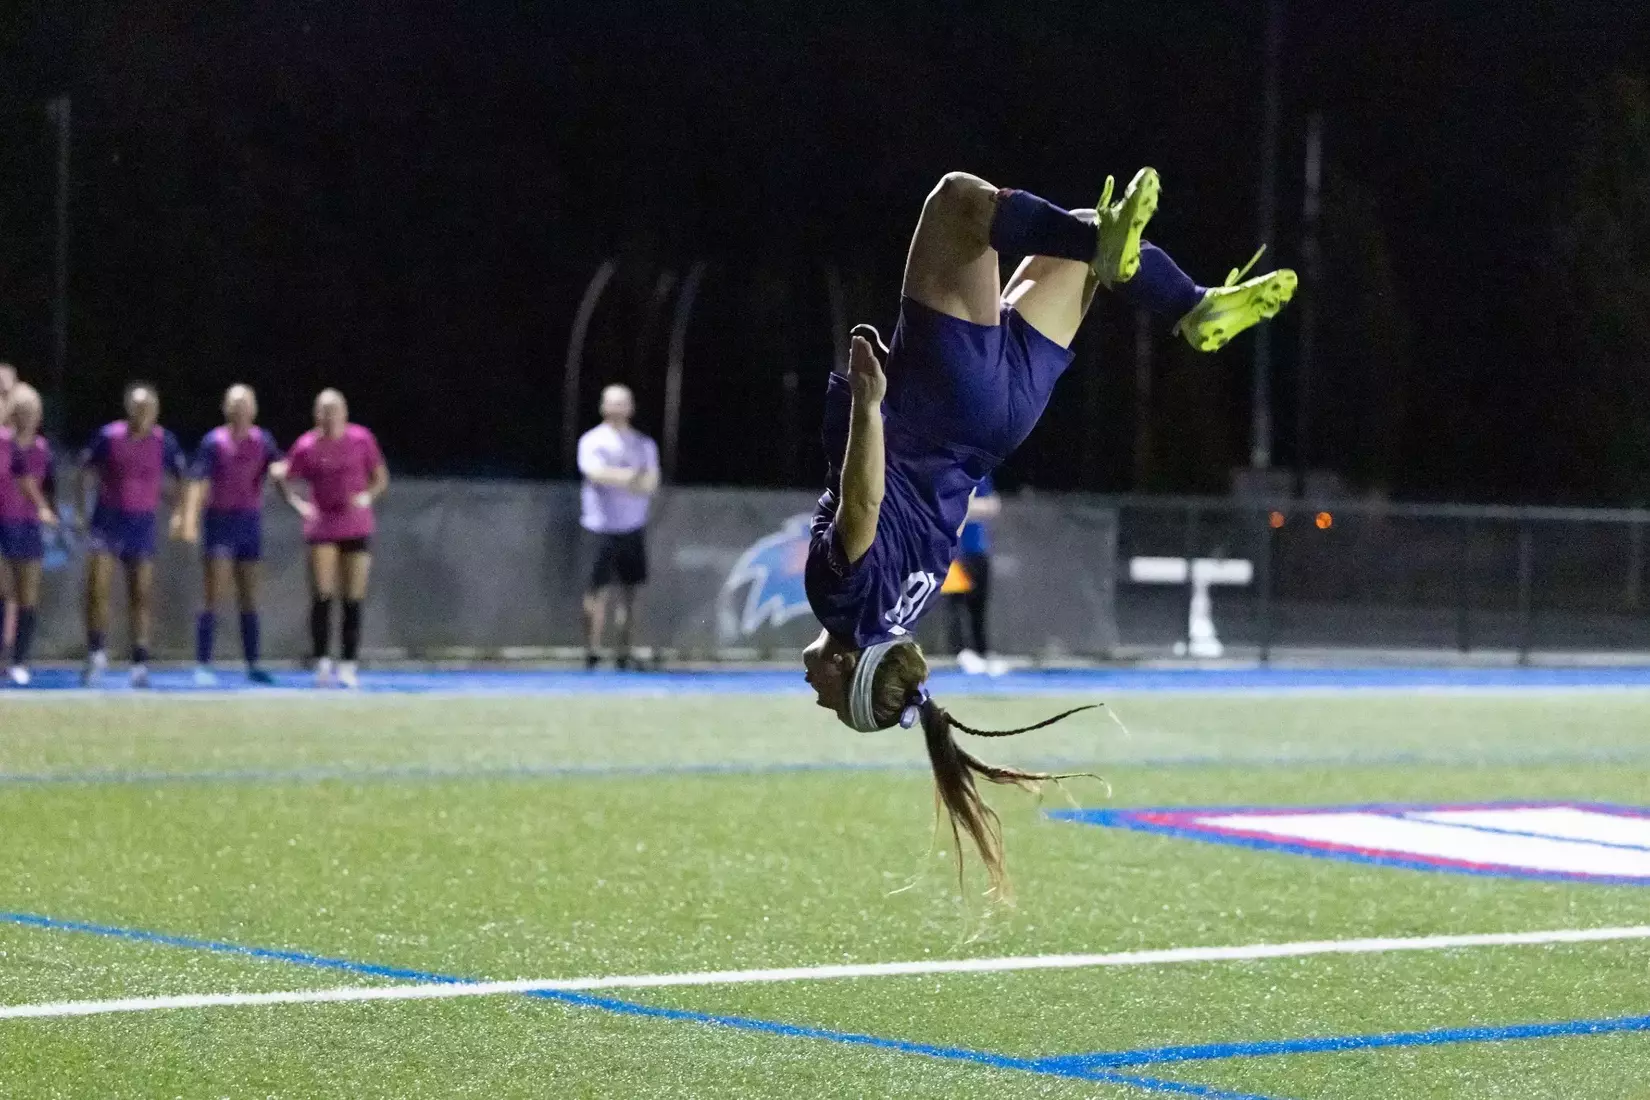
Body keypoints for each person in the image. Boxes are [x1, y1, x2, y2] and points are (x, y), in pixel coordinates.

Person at [801, 169, 1295, 892]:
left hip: (1001, 425)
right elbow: (863, 506)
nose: (810, 687)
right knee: (957, 203)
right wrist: (870, 406)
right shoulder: (839, 604)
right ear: (848, 668)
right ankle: (1171, 291)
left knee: (1088, 238)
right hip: (942, 407)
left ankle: (1193, 307)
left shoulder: (907, 609)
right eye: (826, 697)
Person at [272, 389, 388, 689]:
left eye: (335, 410)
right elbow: (282, 476)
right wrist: (299, 505)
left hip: (356, 525)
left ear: (345, 413)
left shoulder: (362, 439)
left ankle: (348, 665)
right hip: (322, 526)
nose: (330, 416)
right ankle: (322, 662)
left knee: (353, 597)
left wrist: (366, 497)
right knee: (323, 595)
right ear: (316, 415)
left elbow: (380, 477)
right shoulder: (306, 445)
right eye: (324, 411)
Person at [77, 381, 188, 687]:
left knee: (140, 593)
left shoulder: (165, 441)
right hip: (106, 521)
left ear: (156, 411)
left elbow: (182, 479)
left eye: (148, 408)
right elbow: (84, 471)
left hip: (141, 524)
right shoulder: (108, 436)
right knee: (97, 588)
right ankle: (96, 653)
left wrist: (179, 511)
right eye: (138, 408)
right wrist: (81, 511)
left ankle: (139, 661)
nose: (143, 413)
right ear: (128, 408)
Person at [180, 384, 282, 686]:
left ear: (254, 409)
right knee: (213, 594)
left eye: (245, 404)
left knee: (250, 597)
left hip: (249, 523)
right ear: (226, 408)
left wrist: (283, 474)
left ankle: (253, 664)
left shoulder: (263, 440)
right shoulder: (214, 441)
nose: (240, 410)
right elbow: (198, 480)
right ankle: (203, 664)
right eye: (235, 404)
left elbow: (280, 466)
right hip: (219, 522)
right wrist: (189, 519)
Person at [576, 384, 659, 670]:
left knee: (631, 593)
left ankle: (624, 651)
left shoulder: (643, 444)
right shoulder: (592, 440)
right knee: (596, 591)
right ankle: (592, 651)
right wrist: (630, 477)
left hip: (632, 527)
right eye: (612, 403)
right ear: (603, 406)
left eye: (623, 403)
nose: (617, 408)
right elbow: (594, 474)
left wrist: (622, 478)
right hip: (599, 527)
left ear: (631, 407)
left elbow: (650, 482)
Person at [0, 384, 56, 685]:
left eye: (33, 411)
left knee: (28, 594)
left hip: (28, 527)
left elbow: (38, 485)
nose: (29, 417)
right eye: (23, 410)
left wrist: (45, 509)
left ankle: (19, 661)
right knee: (2, 589)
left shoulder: (43, 449)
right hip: (2, 524)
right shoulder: (3, 442)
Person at [943, 475, 1001, 675]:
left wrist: (963, 509)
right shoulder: (946, 473)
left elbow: (993, 506)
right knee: (956, 605)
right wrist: (973, 508)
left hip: (978, 550)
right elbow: (943, 507)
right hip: (953, 553)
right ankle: (961, 653)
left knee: (979, 605)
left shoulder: (980, 475)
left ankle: (983, 652)